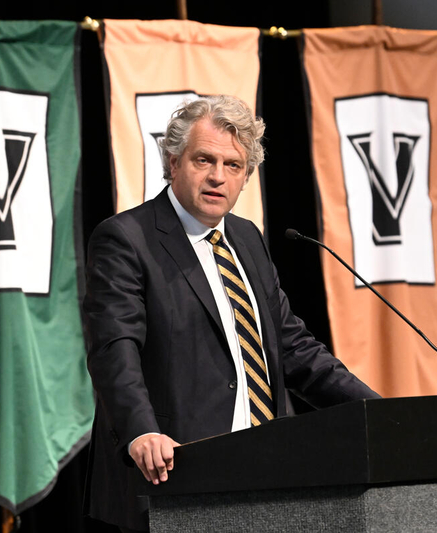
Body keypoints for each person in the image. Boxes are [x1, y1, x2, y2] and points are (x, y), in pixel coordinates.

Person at [82, 95, 379, 531]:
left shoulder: (246, 237)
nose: (218, 177)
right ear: (173, 162)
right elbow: (115, 350)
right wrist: (140, 431)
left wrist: (381, 415)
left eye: (233, 165)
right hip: (172, 474)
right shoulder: (127, 239)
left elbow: (293, 348)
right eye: (204, 160)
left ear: (246, 176)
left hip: (265, 473)